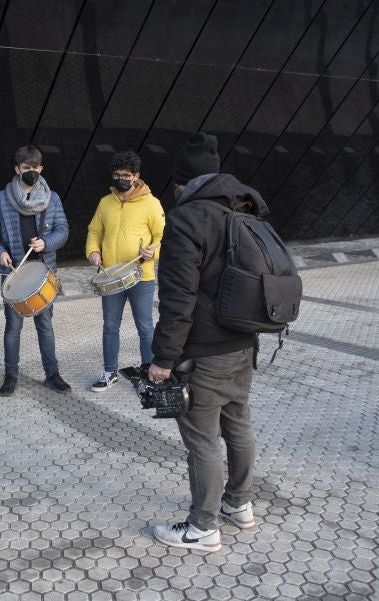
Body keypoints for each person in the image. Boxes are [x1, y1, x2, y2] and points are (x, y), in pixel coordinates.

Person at [149, 132, 261, 552]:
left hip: (204, 351)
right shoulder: (246, 210)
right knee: (238, 423)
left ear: (182, 183)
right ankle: (239, 505)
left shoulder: (186, 219)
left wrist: (163, 358)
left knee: (201, 439)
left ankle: (202, 527)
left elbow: (179, 299)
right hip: (243, 342)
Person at [0, 145, 71, 397]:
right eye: (26, 168)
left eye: (35, 168)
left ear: (41, 169)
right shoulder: (0, 199)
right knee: (13, 327)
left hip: (43, 274)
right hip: (14, 273)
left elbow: (63, 230)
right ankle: (11, 375)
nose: (31, 171)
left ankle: (52, 374)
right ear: (17, 169)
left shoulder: (52, 198)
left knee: (45, 326)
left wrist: (46, 243)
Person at [85, 150, 164, 391]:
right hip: (110, 276)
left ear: (136, 176)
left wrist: (154, 251)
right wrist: (93, 251)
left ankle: (148, 375)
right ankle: (110, 372)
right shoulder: (105, 202)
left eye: (126, 175)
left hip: (142, 277)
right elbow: (94, 231)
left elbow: (162, 237)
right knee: (110, 326)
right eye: (117, 174)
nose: (121, 179)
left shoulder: (152, 204)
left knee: (145, 327)